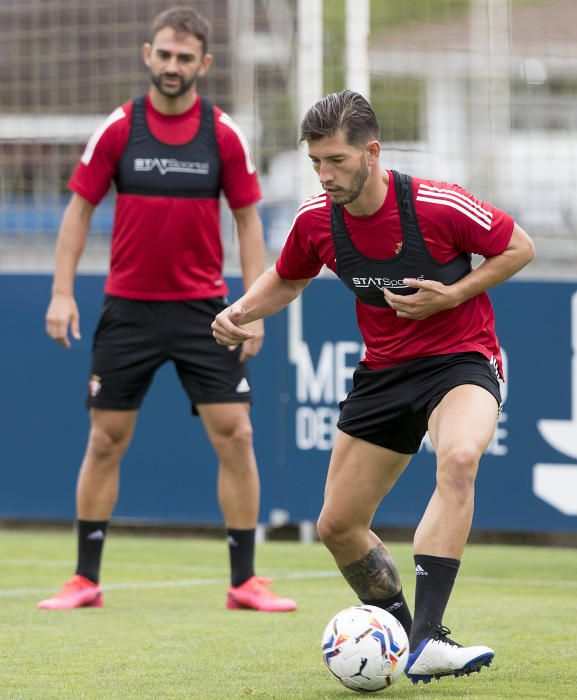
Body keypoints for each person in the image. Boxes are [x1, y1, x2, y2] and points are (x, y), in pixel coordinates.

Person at [212, 90, 534, 682]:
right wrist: (240, 311)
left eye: (335, 160)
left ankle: (427, 639)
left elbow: (519, 247)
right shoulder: (316, 220)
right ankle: (406, 637)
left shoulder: (438, 205)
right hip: (384, 373)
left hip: (461, 359)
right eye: (315, 162)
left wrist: (455, 293)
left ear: (372, 152)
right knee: (337, 525)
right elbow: (288, 278)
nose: (324, 175)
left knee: (459, 459)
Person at [38, 5, 296, 614]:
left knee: (236, 434)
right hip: (127, 310)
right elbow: (78, 210)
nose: (173, 66)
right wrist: (60, 291)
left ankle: (244, 581)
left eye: (186, 58)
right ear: (147, 55)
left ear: (203, 64)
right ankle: (85, 579)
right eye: (165, 54)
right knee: (106, 439)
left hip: (204, 313)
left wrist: (251, 308)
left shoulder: (224, 134)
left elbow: (248, 221)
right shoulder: (120, 128)